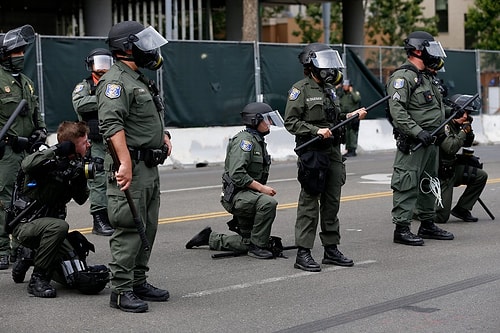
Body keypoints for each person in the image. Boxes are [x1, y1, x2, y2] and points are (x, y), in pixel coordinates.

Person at [96, 20, 171, 313]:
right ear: (127, 47)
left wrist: (164, 137)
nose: (150, 48)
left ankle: (138, 280)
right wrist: (125, 163)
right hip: (131, 168)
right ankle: (120, 290)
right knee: (128, 228)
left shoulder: (138, 79)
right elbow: (112, 124)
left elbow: (147, 119)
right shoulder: (115, 82)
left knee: (147, 227)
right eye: (142, 42)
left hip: (149, 167)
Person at [284, 43, 367, 272]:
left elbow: (334, 116)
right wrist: (315, 131)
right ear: (311, 65)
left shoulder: (330, 89)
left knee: (332, 202)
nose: (330, 70)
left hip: (333, 151)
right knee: (309, 203)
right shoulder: (300, 89)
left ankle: (331, 249)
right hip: (313, 152)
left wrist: (350, 115)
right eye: (325, 64)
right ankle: (304, 253)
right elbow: (290, 122)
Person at [7, 121, 109, 298]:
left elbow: (81, 198)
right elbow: (27, 164)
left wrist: (79, 177)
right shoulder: (48, 159)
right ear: (70, 144)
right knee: (59, 227)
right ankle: (37, 279)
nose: (89, 144)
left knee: (74, 272)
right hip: (25, 225)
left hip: (49, 230)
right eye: (84, 142)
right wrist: (57, 150)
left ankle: (28, 256)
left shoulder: (75, 164)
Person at [186, 102, 283, 259]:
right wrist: (261, 189)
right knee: (268, 203)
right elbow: (237, 174)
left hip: (249, 196)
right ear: (255, 120)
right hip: (238, 196)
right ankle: (258, 247)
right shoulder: (245, 142)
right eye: (266, 119)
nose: (270, 123)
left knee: (246, 242)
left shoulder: (257, 140)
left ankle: (210, 238)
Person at [387, 31, 454, 246]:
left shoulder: (427, 77)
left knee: (429, 182)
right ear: (417, 50)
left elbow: (435, 107)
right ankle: (402, 228)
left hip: (431, 141)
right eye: (429, 49)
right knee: (406, 183)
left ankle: (427, 223)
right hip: (414, 143)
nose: (434, 55)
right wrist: (418, 132)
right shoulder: (403, 78)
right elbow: (398, 112)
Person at [0, 25, 47, 270]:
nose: (20, 55)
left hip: (28, 151)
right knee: (4, 200)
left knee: (27, 199)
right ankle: (1, 248)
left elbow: (36, 111)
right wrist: (11, 139)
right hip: (7, 152)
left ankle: (20, 246)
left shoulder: (26, 82)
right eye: (15, 52)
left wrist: (41, 130)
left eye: (21, 51)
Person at [72, 48, 115, 236]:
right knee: (98, 179)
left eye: (106, 63)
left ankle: (116, 216)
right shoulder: (85, 87)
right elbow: (80, 103)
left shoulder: (115, 84)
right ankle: (99, 219)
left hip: (115, 138)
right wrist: (106, 98)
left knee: (117, 177)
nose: (102, 68)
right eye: (99, 63)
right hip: (95, 142)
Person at [435, 94, 487, 224]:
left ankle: (462, 209)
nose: (465, 116)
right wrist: (463, 131)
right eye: (463, 112)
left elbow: (467, 143)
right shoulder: (444, 124)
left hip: (452, 169)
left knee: (480, 176)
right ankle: (417, 211)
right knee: (441, 218)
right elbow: (450, 147)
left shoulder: (458, 125)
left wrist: (468, 130)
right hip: (439, 174)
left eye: (468, 113)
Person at [336, 79, 361, 157]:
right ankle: (348, 149)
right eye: (344, 85)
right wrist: (337, 88)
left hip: (354, 116)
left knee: (352, 133)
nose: (344, 87)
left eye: (346, 85)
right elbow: (336, 95)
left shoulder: (354, 93)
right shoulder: (343, 94)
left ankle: (353, 149)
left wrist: (351, 91)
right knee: (346, 133)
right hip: (346, 116)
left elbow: (357, 99)